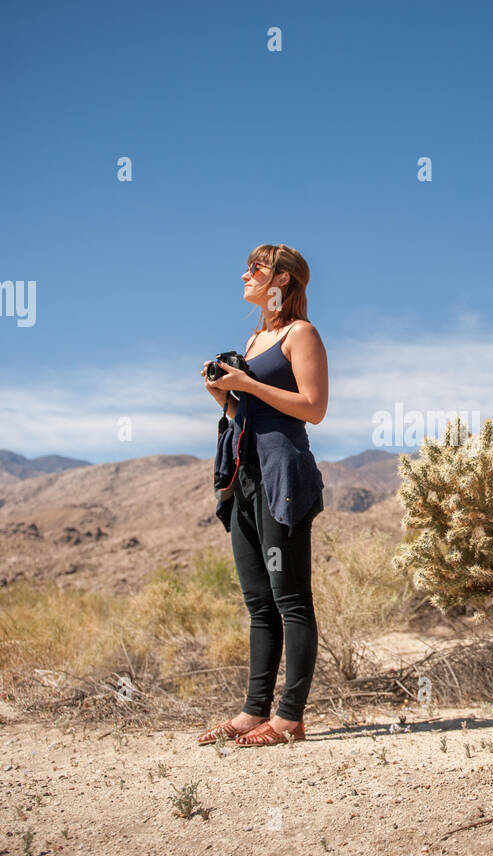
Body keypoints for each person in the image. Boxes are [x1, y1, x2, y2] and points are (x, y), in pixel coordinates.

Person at [197, 244, 328, 747]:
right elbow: (247, 414)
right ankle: (254, 713)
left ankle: (289, 717)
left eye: (256, 269)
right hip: (244, 476)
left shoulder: (302, 334)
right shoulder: (254, 339)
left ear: (284, 281)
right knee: (258, 604)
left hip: (284, 477)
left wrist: (248, 387)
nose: (245, 275)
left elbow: (313, 408)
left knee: (291, 599)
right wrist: (227, 399)